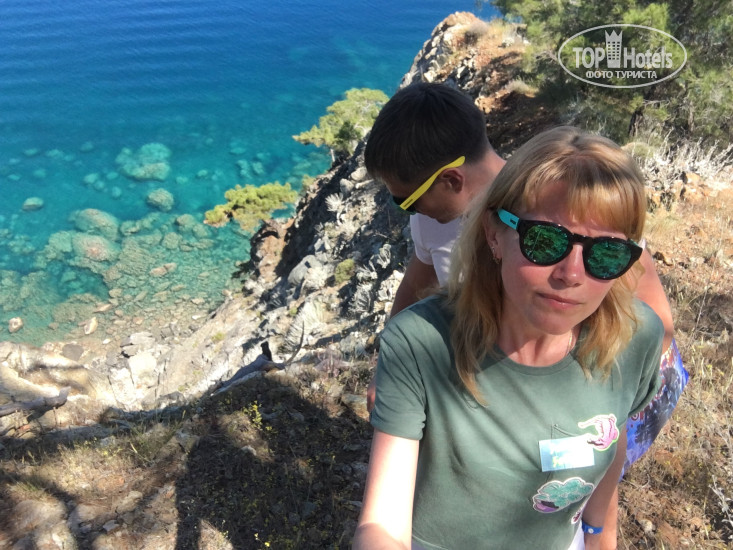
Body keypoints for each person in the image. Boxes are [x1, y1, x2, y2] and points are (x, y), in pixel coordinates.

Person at [363, 82, 688, 548]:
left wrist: (598, 529)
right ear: (494, 236)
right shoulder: (426, 310)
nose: (571, 274)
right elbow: (382, 524)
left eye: (607, 256)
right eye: (543, 242)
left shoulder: (629, 330)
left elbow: (622, 394)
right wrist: (398, 367)